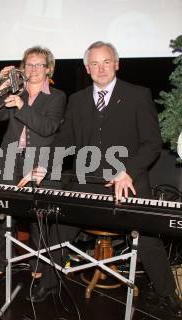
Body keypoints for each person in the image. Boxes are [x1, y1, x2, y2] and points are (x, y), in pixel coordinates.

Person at [19, 41, 182, 317]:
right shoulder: (78, 99)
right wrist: (45, 165)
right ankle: (48, 283)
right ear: (87, 68)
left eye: (106, 62)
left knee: (147, 238)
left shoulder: (138, 95)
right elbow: (64, 140)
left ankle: (167, 295)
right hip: (87, 182)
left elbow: (152, 144)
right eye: (94, 63)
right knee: (58, 227)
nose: (100, 68)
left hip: (128, 182)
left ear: (116, 64)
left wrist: (127, 170)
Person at [0, 46, 66, 281]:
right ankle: (2, 263)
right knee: (2, 214)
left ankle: (38, 263)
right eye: (28, 65)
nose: (32, 69)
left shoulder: (57, 96)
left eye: (38, 65)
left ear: (48, 68)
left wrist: (22, 106)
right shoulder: (17, 91)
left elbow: (47, 128)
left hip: (38, 162)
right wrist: (1, 90)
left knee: (37, 218)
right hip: (8, 158)